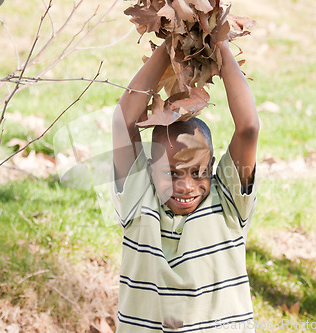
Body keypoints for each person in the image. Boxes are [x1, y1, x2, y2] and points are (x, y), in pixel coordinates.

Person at [111, 38, 260, 332]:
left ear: (214, 166)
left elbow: (249, 127)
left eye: (197, 172)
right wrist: (170, 44)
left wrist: (219, 44)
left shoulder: (229, 204)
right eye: (172, 173)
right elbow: (123, 122)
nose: (186, 186)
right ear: (148, 168)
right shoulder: (138, 200)